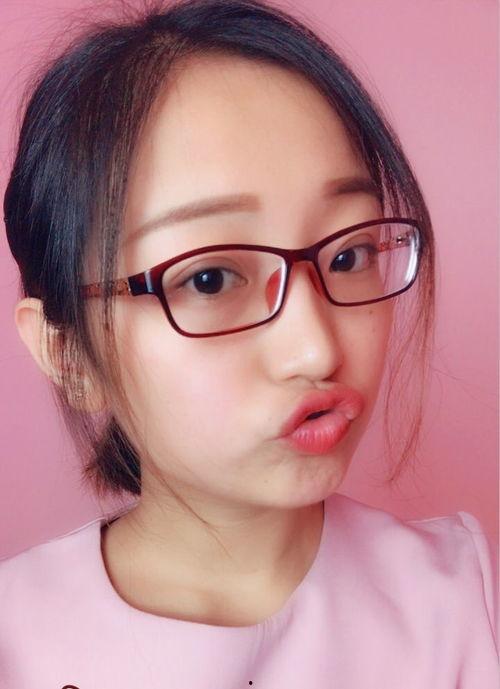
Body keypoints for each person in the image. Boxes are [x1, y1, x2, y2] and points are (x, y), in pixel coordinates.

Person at [1, 0, 498, 687]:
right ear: (68, 354)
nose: (316, 350)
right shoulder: (16, 640)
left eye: (349, 255)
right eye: (209, 278)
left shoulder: (460, 599)